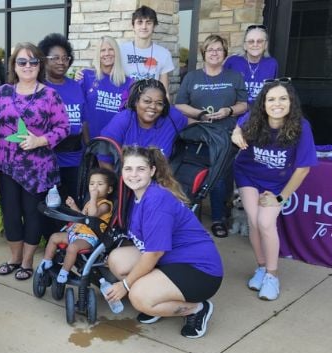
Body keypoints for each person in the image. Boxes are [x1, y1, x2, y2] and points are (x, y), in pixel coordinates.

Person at [104, 146, 222, 338]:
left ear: (152, 171)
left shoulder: (157, 200)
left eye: (140, 169)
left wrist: (125, 285)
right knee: (117, 260)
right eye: (128, 168)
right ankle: (157, 300)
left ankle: (197, 308)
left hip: (199, 270)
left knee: (139, 298)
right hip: (169, 260)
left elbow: (154, 253)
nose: (133, 175)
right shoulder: (134, 195)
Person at [231, 79, 316, 302]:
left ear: (291, 102)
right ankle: (261, 267)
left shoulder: (301, 126)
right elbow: (238, 125)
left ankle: (272, 275)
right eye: (271, 99)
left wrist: (280, 197)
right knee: (253, 219)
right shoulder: (255, 118)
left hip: (277, 183)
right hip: (248, 173)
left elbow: (303, 169)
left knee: (266, 222)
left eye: (282, 98)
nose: (276, 104)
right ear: (263, 103)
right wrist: (236, 133)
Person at [0, 43, 68, 281]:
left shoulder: (49, 95)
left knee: (32, 215)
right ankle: (14, 258)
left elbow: (64, 127)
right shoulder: (1, 93)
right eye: (22, 62)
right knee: (11, 214)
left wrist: (40, 140)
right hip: (6, 165)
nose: (27, 66)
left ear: (40, 65)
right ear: (14, 65)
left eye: (33, 62)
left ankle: (27, 262)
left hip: (37, 167)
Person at [173, 34, 248, 238]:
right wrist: (200, 115)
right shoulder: (192, 77)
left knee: (219, 179)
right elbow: (179, 105)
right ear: (204, 53)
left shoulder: (234, 77)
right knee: (192, 175)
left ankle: (218, 219)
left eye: (219, 49)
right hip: (198, 135)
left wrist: (229, 111)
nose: (214, 53)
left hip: (224, 136)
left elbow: (244, 104)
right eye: (210, 49)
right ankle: (190, 218)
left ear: (224, 53)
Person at [37, 166, 115, 284]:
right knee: (54, 237)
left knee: (72, 247)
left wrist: (93, 198)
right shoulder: (90, 202)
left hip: (89, 237)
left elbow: (93, 215)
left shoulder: (106, 205)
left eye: (100, 184)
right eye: (92, 184)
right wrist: (73, 206)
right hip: (76, 232)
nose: (94, 187)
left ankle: (65, 271)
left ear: (109, 190)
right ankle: (47, 260)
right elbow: (82, 216)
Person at [39, 33, 86, 206]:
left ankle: (68, 234)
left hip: (75, 158)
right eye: (55, 58)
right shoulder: (40, 88)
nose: (61, 62)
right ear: (44, 60)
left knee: (72, 204)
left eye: (65, 58)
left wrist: (87, 151)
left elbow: (84, 120)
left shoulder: (76, 87)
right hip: (49, 159)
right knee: (49, 207)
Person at [99, 78, 190, 158]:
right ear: (136, 102)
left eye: (159, 103)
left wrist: (202, 116)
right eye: (147, 101)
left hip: (161, 177)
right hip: (126, 177)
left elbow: (196, 127)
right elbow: (104, 158)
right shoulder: (123, 120)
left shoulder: (172, 116)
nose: (153, 107)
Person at [80, 36, 135, 143]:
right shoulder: (86, 76)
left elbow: (130, 117)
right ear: (98, 54)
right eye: (102, 50)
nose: (107, 53)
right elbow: (79, 110)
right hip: (89, 142)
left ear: (117, 53)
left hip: (115, 144)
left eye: (111, 49)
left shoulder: (129, 83)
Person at [120, 5, 174, 91]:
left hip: (151, 102)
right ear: (133, 26)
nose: (144, 27)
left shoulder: (164, 53)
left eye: (148, 23)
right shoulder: (120, 50)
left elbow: (164, 91)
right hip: (125, 101)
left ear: (154, 27)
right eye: (140, 22)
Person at [225, 25, 278, 103]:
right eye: (251, 41)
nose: (255, 44)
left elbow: (274, 92)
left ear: (266, 45)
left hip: (261, 112)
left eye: (259, 41)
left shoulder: (272, 64)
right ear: (244, 45)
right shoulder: (232, 62)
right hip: (236, 111)